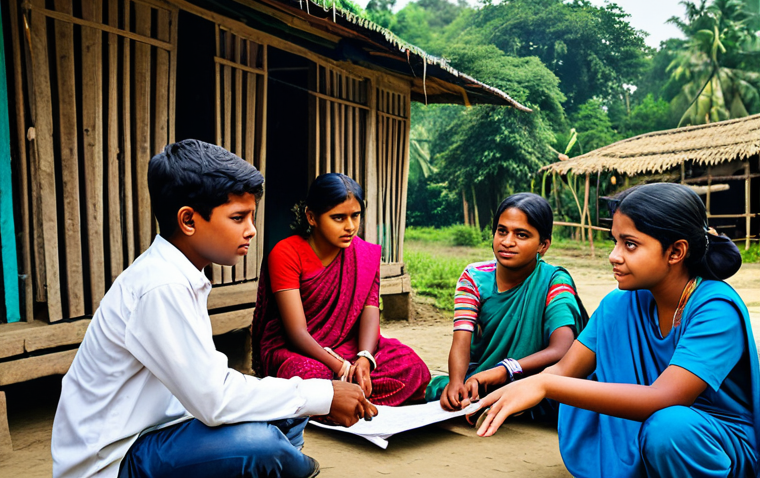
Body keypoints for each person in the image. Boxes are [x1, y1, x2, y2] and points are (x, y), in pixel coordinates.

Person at [51, 140, 376, 478]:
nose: (251, 229)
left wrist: (315, 395)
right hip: (115, 460)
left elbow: (211, 386)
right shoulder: (162, 287)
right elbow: (215, 399)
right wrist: (324, 393)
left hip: (160, 429)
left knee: (288, 409)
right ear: (189, 220)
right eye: (238, 217)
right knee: (261, 444)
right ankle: (293, 466)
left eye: (251, 216)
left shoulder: (181, 275)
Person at [474, 183, 758, 478]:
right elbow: (564, 370)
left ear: (675, 251)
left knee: (669, 428)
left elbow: (666, 398)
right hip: (652, 428)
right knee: (587, 394)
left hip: (713, 441)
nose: (614, 255)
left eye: (630, 244)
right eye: (615, 242)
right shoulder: (618, 304)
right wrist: (516, 388)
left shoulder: (715, 309)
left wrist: (544, 386)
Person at [252, 173, 430, 406]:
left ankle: (341, 400)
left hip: (351, 347)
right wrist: (342, 367)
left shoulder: (364, 255)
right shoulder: (286, 254)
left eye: (355, 216)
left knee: (413, 367)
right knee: (309, 376)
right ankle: (344, 398)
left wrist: (364, 359)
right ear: (311, 217)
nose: (350, 226)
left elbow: (370, 311)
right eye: (338, 218)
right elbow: (296, 333)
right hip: (300, 351)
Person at [426, 193, 587, 416]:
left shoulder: (553, 280)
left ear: (543, 245)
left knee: (569, 401)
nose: (507, 241)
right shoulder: (474, 278)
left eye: (521, 235)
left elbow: (562, 347)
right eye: (502, 231)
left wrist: (506, 369)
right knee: (439, 388)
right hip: (484, 375)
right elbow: (461, 340)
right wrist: (455, 383)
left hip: (536, 376)